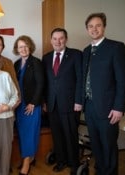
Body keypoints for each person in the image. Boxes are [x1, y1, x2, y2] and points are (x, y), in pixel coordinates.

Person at [82, 12, 125, 175]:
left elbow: (122, 80)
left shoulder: (116, 47)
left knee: (108, 146)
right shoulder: (86, 50)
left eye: (98, 25)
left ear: (104, 27)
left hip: (109, 108)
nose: (94, 29)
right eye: (90, 26)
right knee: (96, 145)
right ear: (87, 29)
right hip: (89, 107)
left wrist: (119, 107)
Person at [42, 28, 82, 175]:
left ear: (66, 39)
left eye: (61, 38)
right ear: (51, 40)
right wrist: (45, 101)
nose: (58, 41)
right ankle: (61, 161)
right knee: (57, 135)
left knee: (71, 134)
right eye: (55, 38)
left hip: (71, 104)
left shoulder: (76, 55)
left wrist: (79, 101)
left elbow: (80, 80)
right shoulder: (46, 58)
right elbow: (45, 82)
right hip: (52, 104)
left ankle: (74, 164)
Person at [13, 35, 44, 175]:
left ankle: (26, 162)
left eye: (25, 46)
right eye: (20, 47)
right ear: (17, 49)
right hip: (20, 105)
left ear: (30, 47)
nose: (23, 49)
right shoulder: (16, 64)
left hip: (31, 104)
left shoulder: (36, 62)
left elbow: (40, 84)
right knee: (22, 133)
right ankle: (28, 157)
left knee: (31, 132)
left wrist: (33, 102)